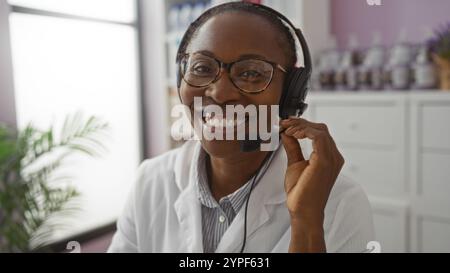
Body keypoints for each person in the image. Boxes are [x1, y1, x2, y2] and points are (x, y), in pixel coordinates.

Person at [108, 2, 374, 253]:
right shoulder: (151, 180)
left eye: (251, 73)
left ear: (289, 96)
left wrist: (306, 224)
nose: (220, 93)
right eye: (202, 67)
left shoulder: (340, 202)